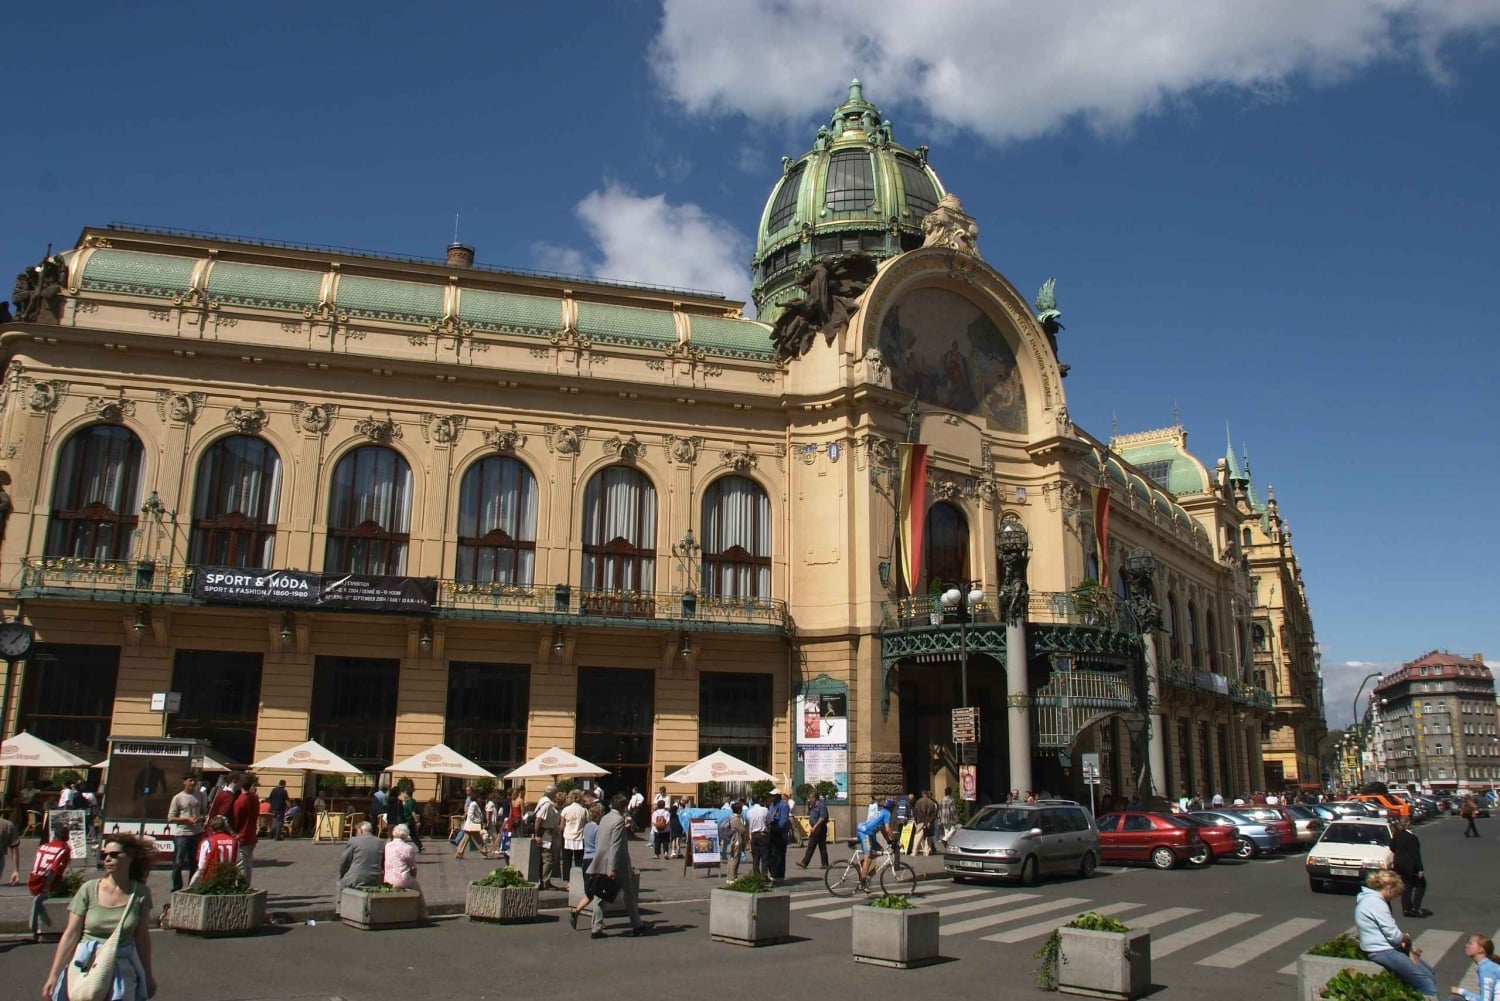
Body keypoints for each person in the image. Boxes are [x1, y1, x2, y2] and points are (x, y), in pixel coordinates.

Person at [41, 833, 157, 1001]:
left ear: (130, 857)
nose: (108, 859)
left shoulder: (140, 893)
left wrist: (148, 975)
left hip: (122, 967)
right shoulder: (88, 889)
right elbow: (71, 934)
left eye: (114, 854)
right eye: (105, 855)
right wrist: (53, 975)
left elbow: (142, 938)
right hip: (87, 966)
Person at [1357, 870, 1438, 1000]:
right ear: (1389, 888)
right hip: (1383, 951)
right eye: (1397, 892)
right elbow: (1394, 936)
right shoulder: (1376, 903)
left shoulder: (1369, 899)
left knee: (1429, 973)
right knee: (1426, 983)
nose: (1396, 896)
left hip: (1386, 949)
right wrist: (1406, 937)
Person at [582, 794, 648, 939]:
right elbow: (615, 845)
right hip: (617, 864)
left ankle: (596, 927)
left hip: (602, 860)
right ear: (624, 807)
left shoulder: (605, 818)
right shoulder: (619, 820)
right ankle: (637, 925)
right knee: (629, 895)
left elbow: (602, 840)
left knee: (600, 895)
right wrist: (612, 868)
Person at [28, 823, 72, 939]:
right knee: (64, 890)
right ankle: (43, 927)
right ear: (67, 836)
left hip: (33, 878)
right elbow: (53, 870)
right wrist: (46, 888)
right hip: (46, 880)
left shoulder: (43, 846)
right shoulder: (64, 849)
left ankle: (37, 927)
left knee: (39, 899)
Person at [567, 804, 607, 928]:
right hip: (595, 860)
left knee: (590, 892)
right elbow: (599, 846)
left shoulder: (587, 827)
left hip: (586, 859)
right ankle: (597, 922)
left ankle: (577, 911)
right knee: (599, 893)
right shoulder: (598, 829)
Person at [166, 774, 204, 892]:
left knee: (195, 862)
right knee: (178, 862)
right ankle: (177, 887)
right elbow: (171, 818)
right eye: (190, 781)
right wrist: (186, 820)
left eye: (194, 781)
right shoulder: (178, 798)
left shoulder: (200, 796)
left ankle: (192, 886)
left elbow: (204, 812)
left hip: (197, 833)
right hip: (182, 833)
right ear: (184, 782)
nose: (193, 783)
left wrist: (201, 818)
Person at [1391, 818, 1429, 917]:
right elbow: (1415, 854)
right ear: (1409, 824)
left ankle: (1406, 909)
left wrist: (1400, 854)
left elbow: (1392, 847)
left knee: (1406, 886)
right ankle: (1415, 907)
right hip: (1410, 866)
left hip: (1398, 864)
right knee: (1421, 885)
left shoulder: (1397, 835)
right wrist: (1420, 869)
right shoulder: (1411, 837)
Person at [188, 816, 239, 888]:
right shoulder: (233, 841)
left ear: (211, 828)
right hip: (229, 879)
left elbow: (201, 866)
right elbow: (237, 862)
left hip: (210, 879)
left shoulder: (207, 842)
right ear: (224, 827)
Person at [857, 798, 897, 889]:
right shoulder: (887, 813)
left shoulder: (881, 811)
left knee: (879, 850)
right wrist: (895, 840)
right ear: (891, 808)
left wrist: (889, 841)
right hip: (865, 833)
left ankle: (862, 866)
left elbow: (882, 829)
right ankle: (862, 883)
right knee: (868, 858)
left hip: (865, 831)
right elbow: (887, 829)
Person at [338, 820, 385, 889]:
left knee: (339, 883)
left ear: (360, 830)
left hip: (356, 879)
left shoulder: (354, 840)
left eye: (356, 831)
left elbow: (345, 861)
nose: (356, 833)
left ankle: (339, 900)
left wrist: (342, 874)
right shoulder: (381, 842)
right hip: (375, 878)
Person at [1451, 934, 1499, 1001]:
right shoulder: (1488, 966)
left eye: (1470, 944)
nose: (1466, 945)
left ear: (1480, 950)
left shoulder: (1487, 969)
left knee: (1455, 998)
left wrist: (1460, 991)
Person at [231, 774, 260, 884]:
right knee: (248, 863)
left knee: (240, 863)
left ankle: (240, 886)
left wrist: (233, 832)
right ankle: (247, 884)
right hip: (252, 835)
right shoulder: (254, 798)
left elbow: (236, 819)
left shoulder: (240, 801)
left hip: (241, 835)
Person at [534, 786, 561, 887]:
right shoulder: (546, 804)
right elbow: (538, 819)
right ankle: (545, 881)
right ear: (553, 793)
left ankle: (545, 880)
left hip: (547, 831)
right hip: (546, 832)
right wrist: (537, 835)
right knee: (548, 858)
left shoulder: (542, 801)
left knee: (546, 858)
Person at [796, 790, 830, 869]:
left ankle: (823, 864)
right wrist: (809, 806)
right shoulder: (813, 806)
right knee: (813, 846)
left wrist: (815, 826)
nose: (810, 799)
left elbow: (822, 818)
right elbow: (810, 814)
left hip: (820, 828)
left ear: (815, 798)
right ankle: (806, 863)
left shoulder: (821, 806)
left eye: (811, 798)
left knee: (820, 846)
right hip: (814, 828)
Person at [560, 790, 588, 879]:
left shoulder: (565, 810)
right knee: (579, 860)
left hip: (567, 837)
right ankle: (578, 879)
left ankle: (567, 879)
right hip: (580, 837)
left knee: (566, 860)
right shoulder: (584, 810)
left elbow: (562, 825)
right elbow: (587, 824)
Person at [383, 824, 419, 890]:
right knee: (417, 888)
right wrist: (413, 877)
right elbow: (413, 868)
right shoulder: (408, 848)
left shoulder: (387, 846)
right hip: (402, 880)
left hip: (388, 880)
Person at [454, 790, 487, 860]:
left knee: (465, 839)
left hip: (471, 825)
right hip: (472, 825)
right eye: (480, 798)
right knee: (478, 839)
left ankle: (459, 852)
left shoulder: (475, 804)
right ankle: (483, 851)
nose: (481, 799)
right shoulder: (474, 804)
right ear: (477, 798)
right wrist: (477, 821)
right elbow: (470, 815)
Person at [767, 788, 791, 881]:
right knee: (772, 854)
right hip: (772, 831)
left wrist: (776, 828)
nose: (771, 797)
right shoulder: (772, 805)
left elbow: (784, 820)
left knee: (780, 854)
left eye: (773, 795)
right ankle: (773, 873)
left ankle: (780, 875)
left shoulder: (783, 805)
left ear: (777, 796)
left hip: (780, 832)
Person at [746, 794, 771, 877]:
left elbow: (748, 826)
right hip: (763, 834)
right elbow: (768, 823)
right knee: (765, 857)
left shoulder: (749, 812)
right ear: (760, 800)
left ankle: (756, 877)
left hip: (754, 835)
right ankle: (764, 876)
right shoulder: (765, 810)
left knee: (755, 859)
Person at [725, 800, 748, 881]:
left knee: (733, 859)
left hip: (734, 840)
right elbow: (742, 830)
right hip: (736, 841)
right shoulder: (735, 819)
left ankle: (731, 877)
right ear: (738, 810)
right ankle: (732, 877)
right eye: (741, 809)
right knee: (735, 859)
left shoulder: (733, 818)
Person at [911, 789, 938, 856]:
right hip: (929, 822)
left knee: (917, 837)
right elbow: (934, 814)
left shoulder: (918, 802)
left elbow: (915, 812)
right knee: (928, 837)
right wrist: (929, 821)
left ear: (922, 794)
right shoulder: (932, 803)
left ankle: (914, 851)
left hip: (920, 821)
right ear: (927, 794)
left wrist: (915, 818)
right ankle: (926, 852)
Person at [0, 812, 20, 885]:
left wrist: (15, 871)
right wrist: (15, 871)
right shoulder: (7, 825)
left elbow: (14, 849)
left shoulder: (7, 825)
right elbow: (14, 850)